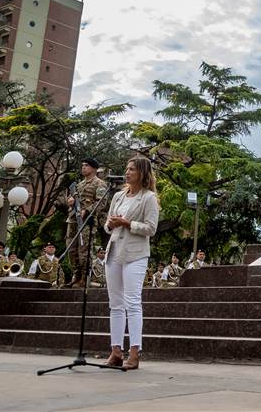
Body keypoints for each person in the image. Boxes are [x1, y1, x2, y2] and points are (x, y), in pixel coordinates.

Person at [104, 156, 160, 370]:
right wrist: (110, 224)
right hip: (114, 251)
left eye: (132, 170)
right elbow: (107, 225)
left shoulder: (149, 198)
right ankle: (115, 350)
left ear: (142, 173)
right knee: (115, 304)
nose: (127, 173)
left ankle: (134, 352)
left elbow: (151, 228)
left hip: (135, 254)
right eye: (126, 169)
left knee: (132, 302)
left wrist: (127, 223)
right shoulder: (118, 196)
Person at [66, 158, 109, 287]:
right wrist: (70, 202)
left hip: (87, 221)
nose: (83, 167)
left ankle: (85, 277)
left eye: (87, 165)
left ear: (94, 169)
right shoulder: (78, 185)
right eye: (82, 165)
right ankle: (76, 275)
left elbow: (101, 202)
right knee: (71, 249)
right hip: (73, 219)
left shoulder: (99, 184)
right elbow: (71, 199)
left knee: (84, 250)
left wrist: (87, 210)